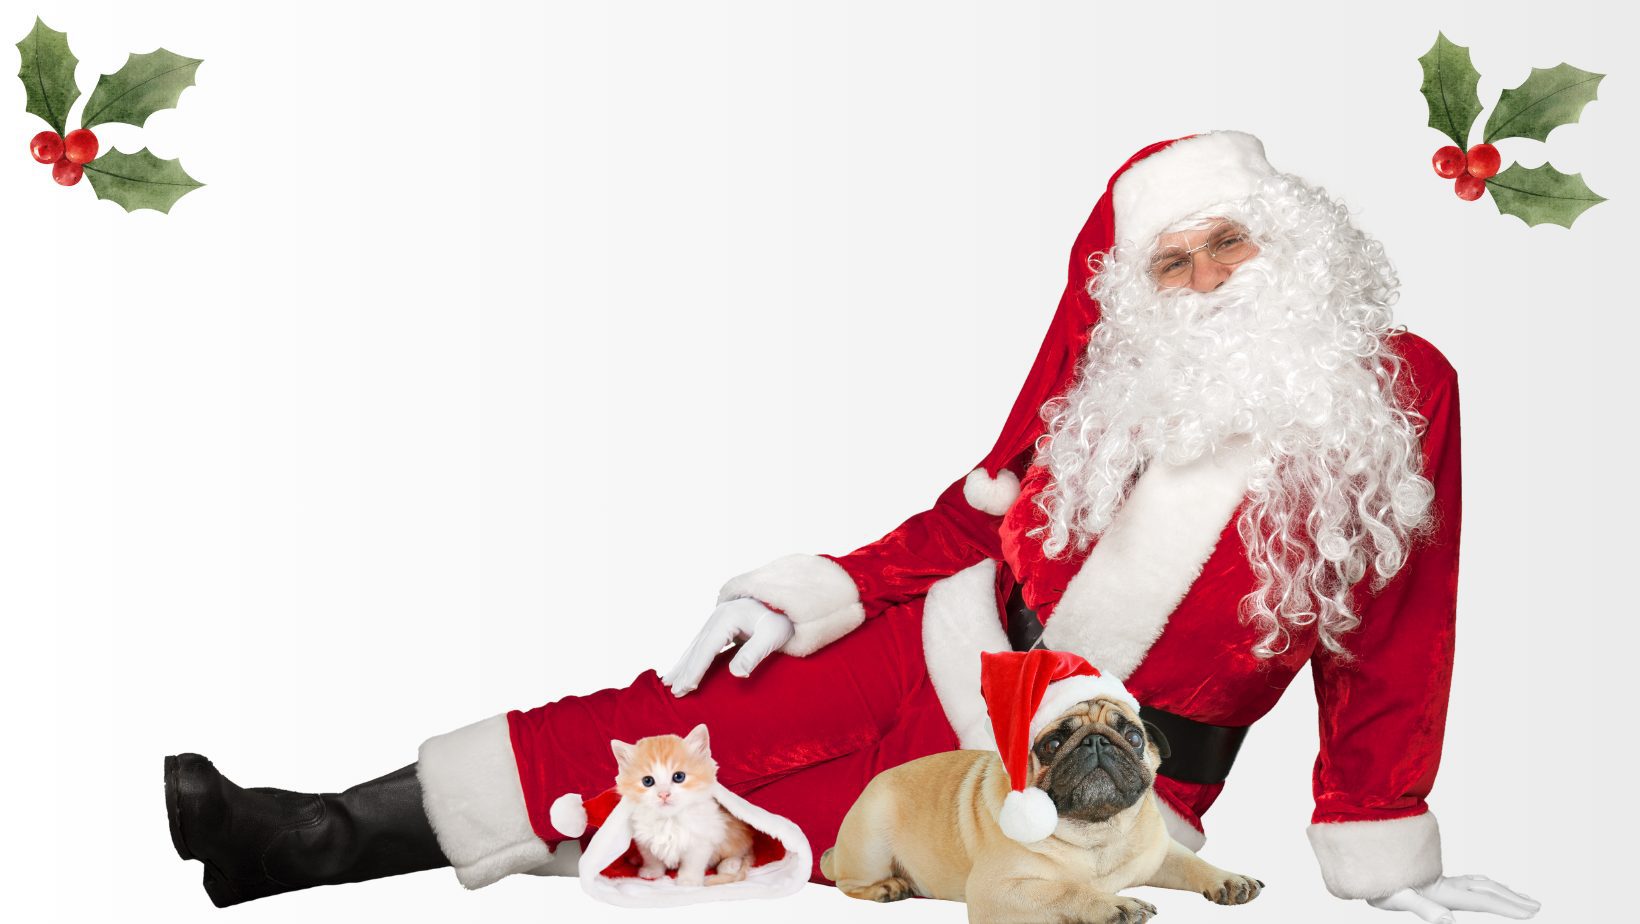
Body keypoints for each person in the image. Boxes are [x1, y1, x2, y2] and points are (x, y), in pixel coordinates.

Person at [165, 131, 1538, 922]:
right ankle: (301, 836)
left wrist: (1378, 851)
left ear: (1289, 240)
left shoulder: (1403, 394)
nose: (1202, 282)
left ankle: (298, 849)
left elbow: (1399, 639)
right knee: (663, 730)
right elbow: (979, 509)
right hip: (932, 646)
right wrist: (817, 586)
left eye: (1225, 245)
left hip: (1096, 776)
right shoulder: (1123, 365)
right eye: (1169, 263)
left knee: (761, 854)